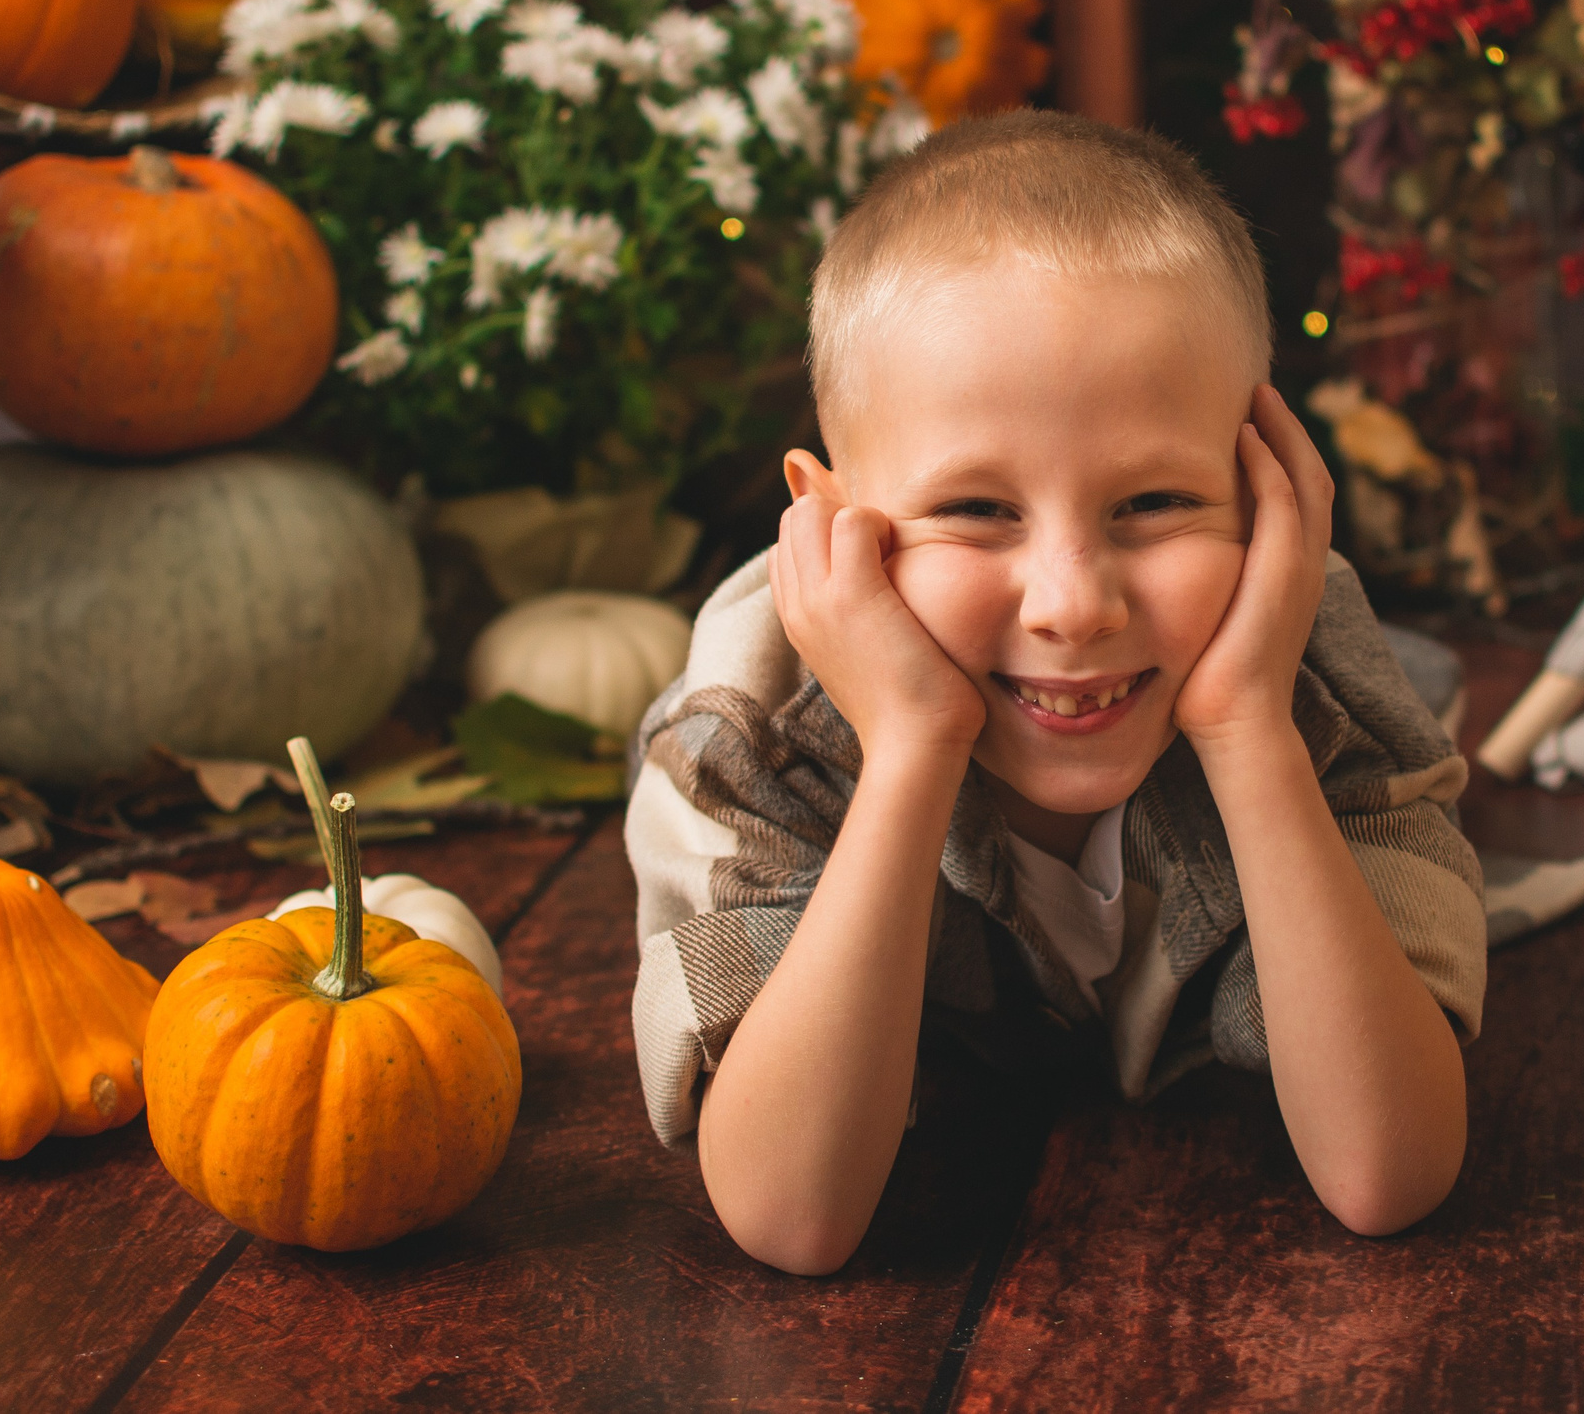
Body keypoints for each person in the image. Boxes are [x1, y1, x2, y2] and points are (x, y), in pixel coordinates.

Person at [626, 110, 1485, 1275]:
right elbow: (792, 1218)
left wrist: (1246, 731)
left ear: (1267, 480)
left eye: (1151, 505)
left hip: (1249, 688)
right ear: (827, 520)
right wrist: (912, 746)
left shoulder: (1315, 678)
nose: (1072, 604)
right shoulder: (748, 729)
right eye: (976, 511)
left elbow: (1389, 1174)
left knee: (1439, 700)